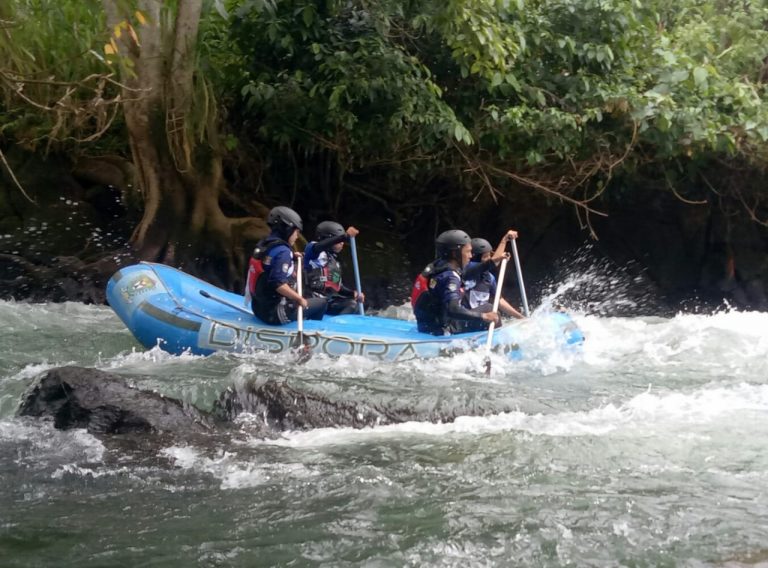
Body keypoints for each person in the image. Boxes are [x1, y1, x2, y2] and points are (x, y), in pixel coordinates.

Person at [245, 206, 327, 325]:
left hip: (257, 307)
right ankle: (311, 332)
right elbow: (278, 284)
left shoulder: (266, 244)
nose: (297, 236)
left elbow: (269, 261)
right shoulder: (283, 252)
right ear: (287, 228)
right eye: (296, 232)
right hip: (273, 314)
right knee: (321, 303)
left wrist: (292, 256)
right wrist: (299, 299)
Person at [411, 229, 500, 335]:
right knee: (490, 310)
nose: (470, 256)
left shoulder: (438, 266)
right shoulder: (451, 277)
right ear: (455, 253)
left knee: (486, 309)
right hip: (443, 330)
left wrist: (494, 262)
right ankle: (494, 346)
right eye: (467, 251)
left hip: (426, 327)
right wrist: (483, 316)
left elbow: (471, 270)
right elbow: (453, 309)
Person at [462, 230, 526, 323]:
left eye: (489, 256)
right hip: (464, 320)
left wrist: (521, 318)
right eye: (485, 256)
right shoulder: (467, 270)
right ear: (475, 257)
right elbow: (493, 262)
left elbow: (499, 301)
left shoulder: (489, 278)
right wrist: (504, 241)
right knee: (490, 308)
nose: (489, 259)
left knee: (493, 312)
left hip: (479, 320)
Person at [303, 221, 366, 315]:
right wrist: (343, 236)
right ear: (328, 238)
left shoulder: (333, 262)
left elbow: (338, 287)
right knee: (323, 303)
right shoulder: (313, 251)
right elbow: (319, 246)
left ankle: (338, 327)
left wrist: (353, 294)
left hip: (326, 301)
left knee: (352, 304)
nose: (342, 244)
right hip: (310, 301)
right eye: (338, 241)